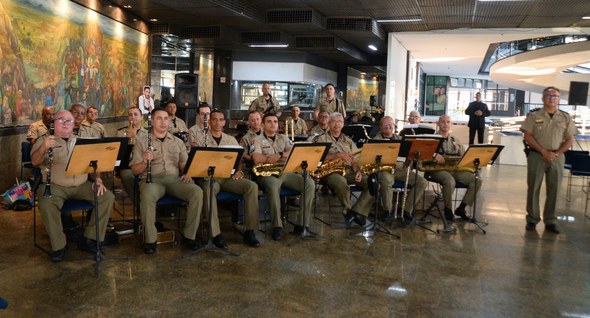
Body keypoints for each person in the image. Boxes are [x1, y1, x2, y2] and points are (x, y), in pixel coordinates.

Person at [31, 110, 115, 262]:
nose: (65, 123)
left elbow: (93, 165)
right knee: (46, 202)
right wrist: (43, 147)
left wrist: (98, 180)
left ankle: (90, 239)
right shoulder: (44, 139)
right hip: (55, 186)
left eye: (69, 121)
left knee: (107, 197)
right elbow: (35, 162)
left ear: (73, 125)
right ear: (54, 122)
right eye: (61, 120)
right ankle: (59, 246)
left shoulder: (81, 141)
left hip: (81, 185)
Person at [130, 107, 204, 254]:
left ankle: (189, 237)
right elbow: (134, 170)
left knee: (197, 192)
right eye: (159, 118)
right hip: (152, 179)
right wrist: (145, 161)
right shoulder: (142, 141)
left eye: (166, 118)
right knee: (147, 196)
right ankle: (150, 240)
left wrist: (188, 173)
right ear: (151, 121)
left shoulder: (177, 142)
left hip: (174, 179)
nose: (163, 122)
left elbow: (184, 164)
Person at [194, 110, 260, 247]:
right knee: (208, 189)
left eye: (221, 119)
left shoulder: (231, 140)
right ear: (210, 121)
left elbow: (239, 160)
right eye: (215, 119)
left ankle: (250, 230)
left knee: (251, 186)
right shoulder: (201, 139)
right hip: (210, 178)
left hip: (228, 177)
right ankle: (216, 234)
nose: (218, 122)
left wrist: (238, 172)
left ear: (224, 122)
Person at [520, 87, 578, 234]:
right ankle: (532, 219)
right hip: (536, 156)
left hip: (557, 157)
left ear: (559, 99)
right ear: (543, 98)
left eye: (555, 96)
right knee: (533, 188)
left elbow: (570, 139)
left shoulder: (565, 117)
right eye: (548, 96)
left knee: (555, 189)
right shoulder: (533, 116)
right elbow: (528, 137)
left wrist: (556, 153)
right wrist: (544, 151)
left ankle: (551, 220)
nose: (552, 98)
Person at [252, 113, 315, 240]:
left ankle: (302, 225)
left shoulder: (284, 138)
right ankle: (277, 226)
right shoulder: (257, 139)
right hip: (267, 174)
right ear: (263, 125)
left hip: (285, 172)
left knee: (309, 183)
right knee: (274, 186)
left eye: (275, 121)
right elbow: (256, 158)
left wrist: (279, 155)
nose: (273, 124)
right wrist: (272, 158)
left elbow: (294, 152)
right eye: (269, 122)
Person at [312, 112, 372, 227]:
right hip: (330, 172)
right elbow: (316, 158)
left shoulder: (348, 140)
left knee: (373, 183)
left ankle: (356, 212)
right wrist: (337, 155)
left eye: (340, 122)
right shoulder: (320, 138)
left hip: (348, 170)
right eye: (334, 121)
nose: (337, 124)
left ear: (343, 124)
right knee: (341, 183)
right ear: (328, 124)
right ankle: (348, 210)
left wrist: (357, 170)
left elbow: (355, 159)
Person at [427, 115, 482, 222]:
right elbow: (424, 154)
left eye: (448, 122)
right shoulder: (432, 138)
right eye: (443, 122)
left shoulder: (455, 139)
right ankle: (448, 210)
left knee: (477, 181)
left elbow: (464, 157)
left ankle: (461, 208)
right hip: (437, 169)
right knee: (450, 181)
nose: (445, 124)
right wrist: (434, 155)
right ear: (438, 124)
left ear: (451, 124)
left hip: (456, 170)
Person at [373, 116, 428, 220]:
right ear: (380, 126)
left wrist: (409, 166)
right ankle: (387, 210)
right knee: (386, 180)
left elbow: (409, 156)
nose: (388, 127)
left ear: (394, 126)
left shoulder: (401, 140)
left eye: (390, 124)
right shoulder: (375, 141)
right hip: (384, 169)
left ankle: (405, 209)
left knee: (422, 182)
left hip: (400, 169)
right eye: (385, 124)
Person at [116, 106, 146, 200]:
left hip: (143, 163)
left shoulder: (147, 133)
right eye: (130, 115)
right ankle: (138, 203)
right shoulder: (121, 132)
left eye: (136, 114)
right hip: (127, 165)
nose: (133, 117)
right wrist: (128, 139)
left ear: (141, 117)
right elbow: (120, 153)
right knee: (127, 176)